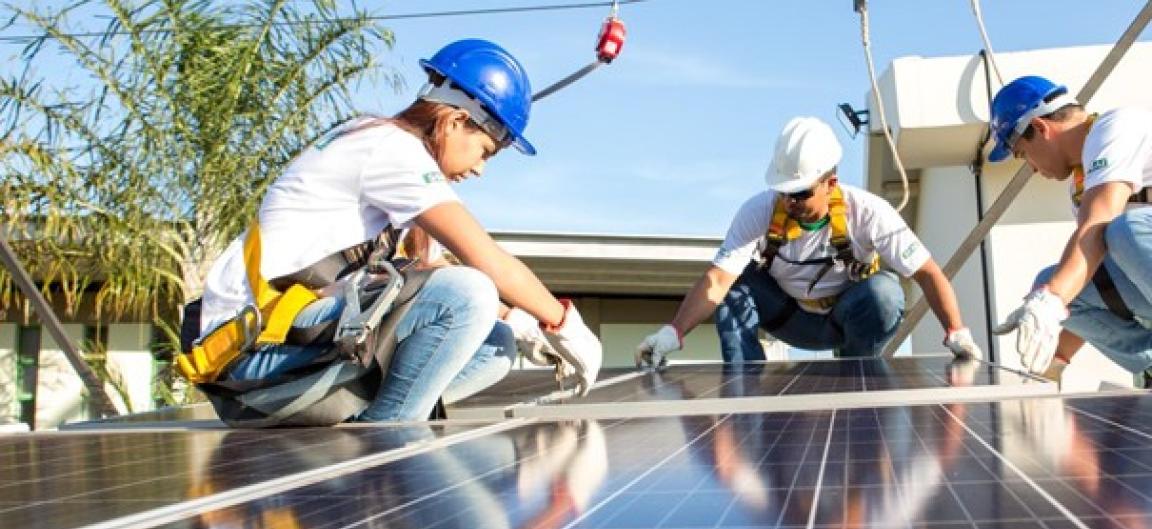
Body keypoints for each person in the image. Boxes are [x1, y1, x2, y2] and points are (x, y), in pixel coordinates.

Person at [193, 38, 601, 423]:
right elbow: (487, 264)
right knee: (470, 290)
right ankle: (385, 449)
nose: (479, 168)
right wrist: (565, 326)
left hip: (292, 350)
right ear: (457, 121)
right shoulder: (389, 150)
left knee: (497, 345)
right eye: (485, 152)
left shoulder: (385, 150)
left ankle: (364, 432)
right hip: (252, 359)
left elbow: (430, 268)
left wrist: (521, 322)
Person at [635, 116, 981, 367]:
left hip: (846, 322)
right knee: (735, 287)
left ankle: (857, 371)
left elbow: (927, 273)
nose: (791, 202)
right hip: (790, 317)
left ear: (830, 182)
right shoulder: (758, 212)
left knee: (885, 293)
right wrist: (673, 332)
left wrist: (956, 331)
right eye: (784, 192)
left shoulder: (870, 212)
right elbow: (716, 280)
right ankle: (745, 390)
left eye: (800, 193)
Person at [987, 75, 1152, 380]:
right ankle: (1150, 363)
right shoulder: (1082, 188)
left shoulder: (1116, 127)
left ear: (1039, 127)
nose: (1033, 169)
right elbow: (1089, 267)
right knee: (1051, 280)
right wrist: (1056, 361)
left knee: (1123, 230)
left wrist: (1050, 301)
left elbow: (1098, 223)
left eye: (1023, 154)